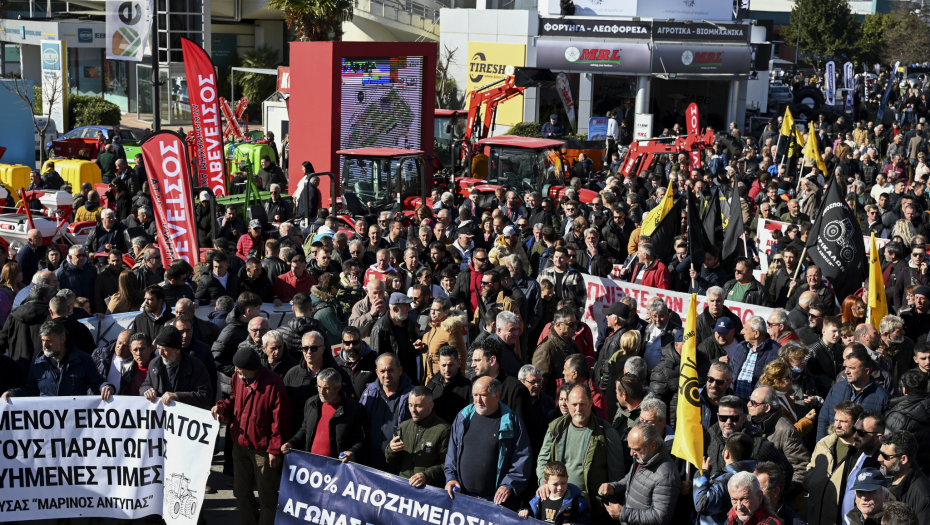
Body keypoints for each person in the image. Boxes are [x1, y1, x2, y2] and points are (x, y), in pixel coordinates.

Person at [212, 347, 291, 525]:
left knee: (267, 496)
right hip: (240, 446)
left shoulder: (273, 383)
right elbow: (233, 398)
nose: (236, 370)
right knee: (241, 491)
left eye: (239, 367)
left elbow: (281, 420)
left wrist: (274, 450)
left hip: (263, 450)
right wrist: (223, 406)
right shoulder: (237, 379)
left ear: (250, 368)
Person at [444, 376, 532, 507]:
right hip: (462, 498)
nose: (478, 400)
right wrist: (451, 478)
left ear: (497, 395)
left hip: (495, 504)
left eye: (483, 395)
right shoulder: (463, 417)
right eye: (475, 395)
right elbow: (452, 453)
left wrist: (509, 484)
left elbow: (522, 459)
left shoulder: (512, 421)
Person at [536, 382, 625, 508]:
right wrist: (543, 483)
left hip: (592, 508)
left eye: (582, 404)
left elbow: (617, 475)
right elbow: (543, 460)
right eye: (574, 404)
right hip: (559, 503)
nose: (578, 409)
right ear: (567, 403)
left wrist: (610, 501)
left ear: (591, 402)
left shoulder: (606, 433)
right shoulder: (556, 428)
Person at [2, 321, 115, 400]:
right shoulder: (37, 364)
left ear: (63, 339)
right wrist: (14, 393)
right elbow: (31, 390)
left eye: (49, 340)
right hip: (49, 423)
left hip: (76, 422)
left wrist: (106, 387)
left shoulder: (83, 359)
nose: (45, 345)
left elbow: (97, 382)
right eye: (43, 340)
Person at [596, 422, 680, 523]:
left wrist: (623, 513)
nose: (631, 453)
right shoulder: (644, 458)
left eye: (636, 449)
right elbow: (630, 479)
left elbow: (659, 517)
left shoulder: (666, 476)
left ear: (653, 445)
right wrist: (614, 487)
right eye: (630, 448)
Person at [281, 368, 367, 461]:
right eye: (319, 386)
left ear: (338, 388)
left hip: (337, 469)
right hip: (312, 466)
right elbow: (304, 430)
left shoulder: (354, 410)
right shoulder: (311, 404)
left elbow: (362, 441)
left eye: (326, 388)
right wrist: (291, 443)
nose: (321, 392)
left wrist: (353, 452)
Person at [818, 346, 890, 442]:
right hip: (834, 447)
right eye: (846, 367)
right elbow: (823, 419)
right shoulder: (836, 389)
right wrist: (822, 447)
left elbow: (885, 431)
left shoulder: (882, 397)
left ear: (866, 371)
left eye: (851, 368)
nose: (846, 372)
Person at [384, 386, 451, 487]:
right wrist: (391, 450)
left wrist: (426, 475)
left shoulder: (444, 429)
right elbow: (392, 462)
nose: (413, 410)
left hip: (428, 490)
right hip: (404, 486)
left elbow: (448, 465)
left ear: (431, 406)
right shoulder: (402, 426)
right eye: (410, 405)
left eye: (418, 406)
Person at [359, 353, 414, 473]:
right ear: (377, 373)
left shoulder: (412, 395)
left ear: (400, 370)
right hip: (371, 464)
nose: (386, 375)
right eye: (382, 371)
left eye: (390, 370)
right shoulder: (369, 393)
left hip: (400, 466)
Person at [748, 386, 811, 490]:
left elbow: (801, 468)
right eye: (749, 400)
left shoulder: (786, 430)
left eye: (754, 403)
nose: (749, 405)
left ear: (767, 408)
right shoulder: (748, 421)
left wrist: (782, 495)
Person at [140, 326, 213, 409]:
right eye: (159, 348)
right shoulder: (154, 364)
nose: (160, 353)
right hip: (161, 418)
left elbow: (206, 396)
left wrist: (178, 396)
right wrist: (147, 390)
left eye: (164, 349)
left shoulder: (196, 366)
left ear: (177, 349)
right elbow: (145, 384)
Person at [693, 432, 758, 525]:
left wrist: (702, 474)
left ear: (726, 453)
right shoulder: (756, 472)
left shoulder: (728, 481)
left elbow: (702, 504)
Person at [0, 283, 53, 374]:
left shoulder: (14, 316)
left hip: (18, 368)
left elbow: (2, 341)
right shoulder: (50, 316)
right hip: (44, 369)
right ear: (45, 299)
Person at [880, 430, 930, 525]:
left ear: (903, 459)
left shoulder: (922, 496)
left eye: (885, 456)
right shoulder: (887, 479)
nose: (879, 458)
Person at [520, 461, 592, 524]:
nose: (560, 487)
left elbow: (588, 523)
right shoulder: (539, 499)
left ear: (567, 479)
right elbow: (532, 515)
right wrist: (526, 512)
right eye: (555, 484)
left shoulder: (578, 502)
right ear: (546, 483)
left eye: (563, 483)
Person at [369, 293, 420, 380]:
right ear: (395, 308)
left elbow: (413, 344)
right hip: (392, 376)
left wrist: (417, 346)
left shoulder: (409, 323)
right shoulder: (380, 328)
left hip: (410, 374)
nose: (409, 308)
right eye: (406, 306)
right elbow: (377, 357)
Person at [533, 308, 582, 398]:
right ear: (558, 325)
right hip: (556, 403)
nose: (575, 327)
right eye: (571, 324)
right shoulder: (546, 349)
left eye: (576, 323)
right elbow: (539, 384)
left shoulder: (571, 344)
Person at [730, 316, 782, 401]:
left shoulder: (776, 352)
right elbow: (732, 372)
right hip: (737, 404)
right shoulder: (740, 347)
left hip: (758, 406)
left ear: (756, 333)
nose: (742, 332)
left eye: (746, 329)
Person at [420, 298, 467, 382]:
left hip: (444, 381)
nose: (432, 312)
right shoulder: (432, 326)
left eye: (437, 310)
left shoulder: (451, 329)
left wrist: (460, 380)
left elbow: (461, 356)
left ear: (446, 312)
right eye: (431, 309)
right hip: (430, 379)